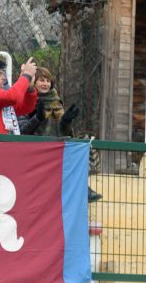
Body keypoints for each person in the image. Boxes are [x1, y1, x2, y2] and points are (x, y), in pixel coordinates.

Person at [18, 67, 102, 202]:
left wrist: (66, 122)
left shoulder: (57, 102)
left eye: (48, 81)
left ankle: (82, 189)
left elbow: (67, 133)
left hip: (57, 148)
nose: (45, 84)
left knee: (80, 146)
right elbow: (21, 131)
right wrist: (37, 118)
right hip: (36, 151)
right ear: (34, 82)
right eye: (41, 80)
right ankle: (82, 190)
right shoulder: (26, 100)